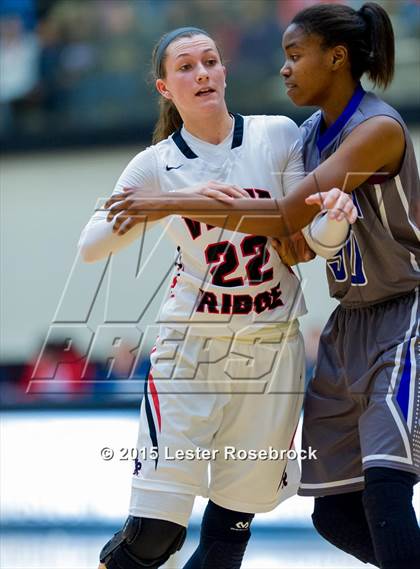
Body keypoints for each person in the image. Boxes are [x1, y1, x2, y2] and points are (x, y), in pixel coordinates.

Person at [79, 27, 356, 569]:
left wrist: (336, 224)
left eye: (210, 61)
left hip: (272, 350)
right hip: (192, 351)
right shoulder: (155, 164)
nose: (202, 73)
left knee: (231, 528)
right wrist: (178, 200)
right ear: (165, 88)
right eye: (186, 67)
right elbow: (90, 247)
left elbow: (311, 241)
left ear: (224, 71)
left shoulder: (275, 136)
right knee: (154, 535)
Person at [272, 3, 419, 569]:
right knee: (333, 513)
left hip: (405, 314)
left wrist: (169, 202)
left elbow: (285, 211)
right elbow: (297, 238)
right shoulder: (309, 135)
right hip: (346, 325)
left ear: (336, 58)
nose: (284, 69)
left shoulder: (376, 129)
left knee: (385, 489)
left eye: (294, 55)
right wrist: (295, 238)